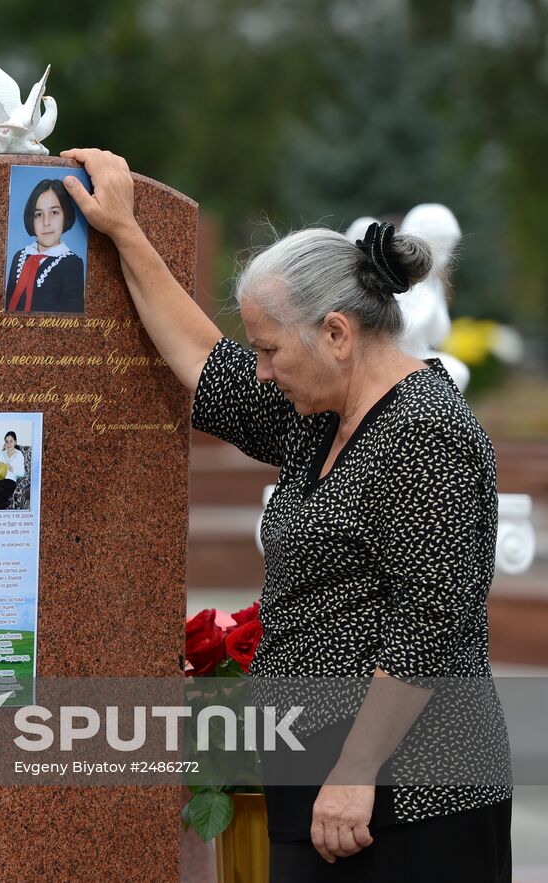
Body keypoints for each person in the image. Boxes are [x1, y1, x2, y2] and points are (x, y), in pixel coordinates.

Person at [58, 147, 512, 880]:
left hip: (410, 796)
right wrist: (123, 231)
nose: (262, 369)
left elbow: (429, 622)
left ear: (337, 333)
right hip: (328, 778)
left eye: (270, 349)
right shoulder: (322, 415)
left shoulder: (426, 430)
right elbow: (208, 363)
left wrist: (357, 771)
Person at [5, 179, 85, 313]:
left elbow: (71, 323)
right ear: (31, 218)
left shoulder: (73, 264)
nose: (46, 222)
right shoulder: (19, 256)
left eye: (54, 212)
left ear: (65, 215)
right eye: (38, 215)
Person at [0, 431, 26, 510]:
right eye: (7, 442)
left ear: (15, 442)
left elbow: (22, 473)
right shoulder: (2, 454)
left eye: (11, 441)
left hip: (10, 482)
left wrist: (11, 468)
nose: (9, 444)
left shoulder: (19, 454)